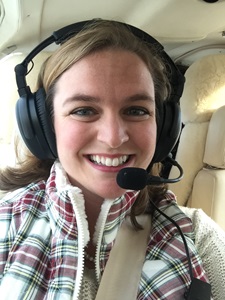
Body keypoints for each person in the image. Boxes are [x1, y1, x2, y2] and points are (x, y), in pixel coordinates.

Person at [0, 19, 210, 299]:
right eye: (84, 110)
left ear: (164, 127)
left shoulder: (197, 237)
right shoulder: (5, 225)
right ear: (44, 127)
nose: (113, 138)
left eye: (136, 110)